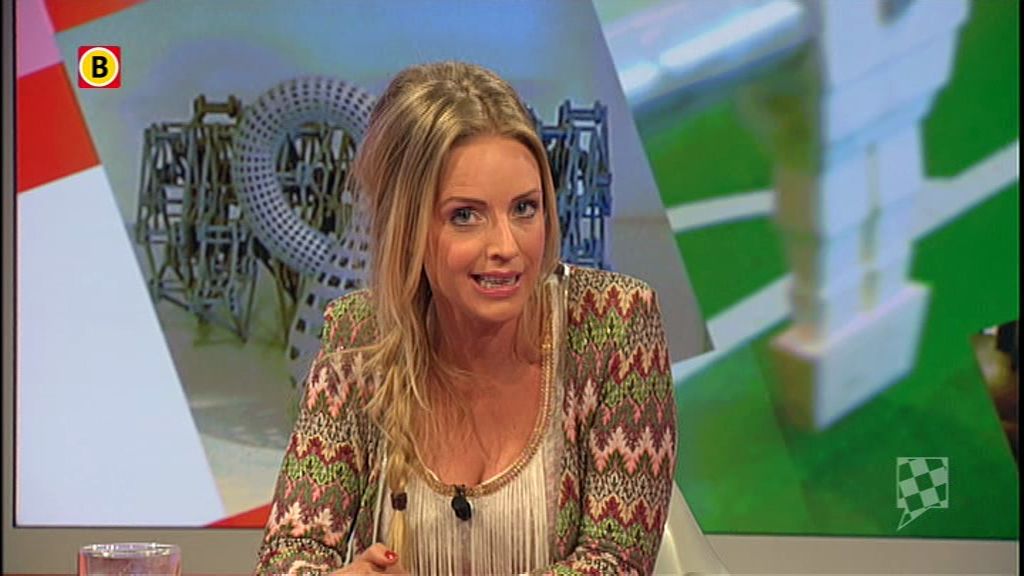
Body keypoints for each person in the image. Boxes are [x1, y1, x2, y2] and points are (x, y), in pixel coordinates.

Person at [255, 61, 677, 576]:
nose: (506, 246)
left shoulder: (615, 324)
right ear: (406, 227)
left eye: (525, 208)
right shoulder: (359, 337)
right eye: (465, 216)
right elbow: (287, 555)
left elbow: (615, 562)